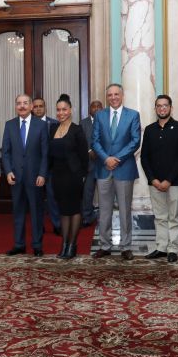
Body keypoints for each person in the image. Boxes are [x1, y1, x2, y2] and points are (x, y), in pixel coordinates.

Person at [91, 83, 141, 260]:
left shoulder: (133, 115)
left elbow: (135, 141)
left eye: (116, 94)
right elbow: (94, 141)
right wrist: (106, 158)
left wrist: (116, 158)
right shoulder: (99, 115)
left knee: (125, 210)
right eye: (110, 95)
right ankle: (105, 245)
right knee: (104, 210)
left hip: (124, 168)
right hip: (104, 168)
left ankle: (126, 246)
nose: (113, 97)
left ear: (122, 95)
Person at [141, 95, 178, 263]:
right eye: (159, 106)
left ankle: (173, 248)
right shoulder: (149, 129)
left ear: (170, 108)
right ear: (155, 109)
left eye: (165, 106)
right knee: (160, 216)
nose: (162, 109)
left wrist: (168, 179)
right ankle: (161, 247)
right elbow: (144, 157)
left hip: (174, 182)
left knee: (174, 217)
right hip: (154, 182)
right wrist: (153, 179)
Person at [2, 94, 49, 257]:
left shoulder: (41, 126)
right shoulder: (9, 125)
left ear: (31, 106)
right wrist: (8, 171)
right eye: (19, 103)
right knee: (18, 211)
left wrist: (43, 173)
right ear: (16, 106)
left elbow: (45, 153)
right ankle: (19, 244)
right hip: (15, 177)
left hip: (35, 177)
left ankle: (37, 244)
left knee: (36, 212)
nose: (22, 106)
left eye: (25, 103)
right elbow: (5, 152)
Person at [48, 94, 89, 259]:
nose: (61, 113)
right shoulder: (52, 129)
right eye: (58, 110)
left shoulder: (77, 130)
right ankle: (64, 245)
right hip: (57, 177)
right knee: (63, 212)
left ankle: (72, 245)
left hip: (74, 177)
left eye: (64, 109)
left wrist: (82, 176)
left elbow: (84, 157)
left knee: (74, 211)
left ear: (70, 110)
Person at [33, 97, 61, 236]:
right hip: (34, 168)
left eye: (41, 106)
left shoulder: (55, 123)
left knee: (53, 198)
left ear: (45, 107)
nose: (38, 108)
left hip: (51, 169)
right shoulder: (28, 124)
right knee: (36, 199)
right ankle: (39, 226)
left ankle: (57, 225)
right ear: (32, 108)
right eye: (36, 106)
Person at [80, 100, 103, 227]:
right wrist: (89, 150)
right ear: (89, 109)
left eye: (99, 106)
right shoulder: (83, 123)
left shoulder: (107, 121)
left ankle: (105, 216)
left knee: (106, 192)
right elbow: (80, 141)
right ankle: (87, 217)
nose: (96, 108)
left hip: (104, 163)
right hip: (89, 165)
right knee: (88, 192)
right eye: (93, 106)